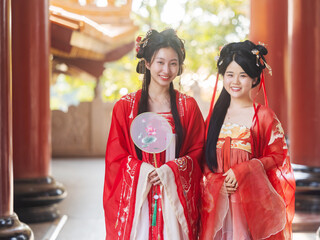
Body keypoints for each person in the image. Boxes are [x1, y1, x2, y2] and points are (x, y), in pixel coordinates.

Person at [103, 29, 205, 240]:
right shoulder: (125, 107)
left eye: (173, 63)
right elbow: (116, 158)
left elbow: (199, 151)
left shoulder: (188, 107)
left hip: (173, 199)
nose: (166, 70)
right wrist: (143, 172)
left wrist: (171, 170)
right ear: (147, 63)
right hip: (139, 200)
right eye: (160, 62)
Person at [200, 40, 295, 240]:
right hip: (219, 203)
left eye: (243, 75)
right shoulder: (214, 117)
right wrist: (216, 182)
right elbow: (204, 157)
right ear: (223, 76)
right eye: (230, 74)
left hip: (250, 203)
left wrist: (245, 169)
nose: (235, 81)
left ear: (254, 79)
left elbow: (278, 155)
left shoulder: (262, 115)